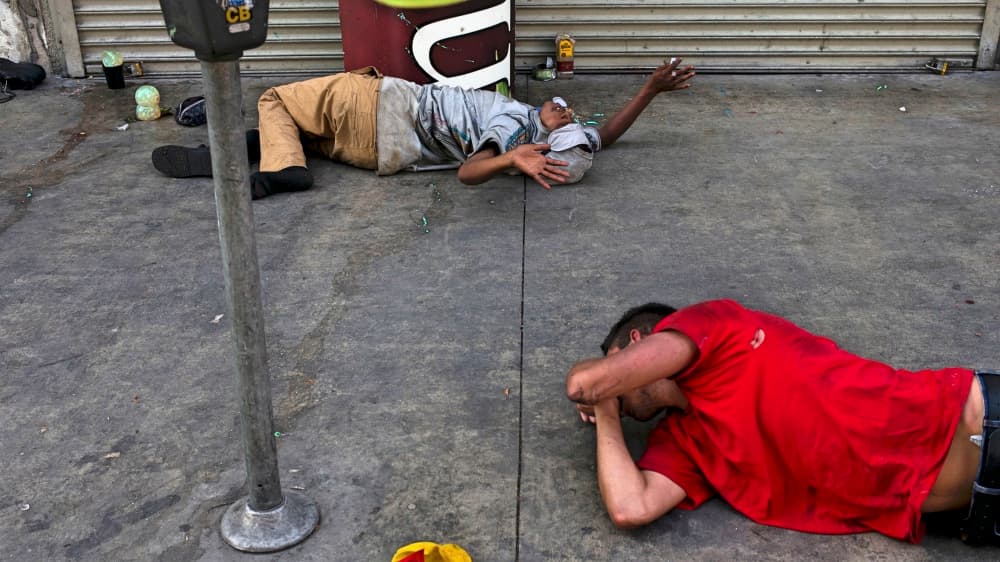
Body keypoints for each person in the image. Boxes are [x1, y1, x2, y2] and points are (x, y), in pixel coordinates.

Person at [564, 298, 999, 544]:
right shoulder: (685, 440)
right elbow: (629, 506)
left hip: (982, 417)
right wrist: (607, 412)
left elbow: (583, 382)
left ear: (639, 341)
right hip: (979, 510)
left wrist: (599, 387)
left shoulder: (711, 326)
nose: (612, 397)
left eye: (614, 365)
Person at [151, 59, 696, 199]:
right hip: (384, 150)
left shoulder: (515, 127)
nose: (570, 112)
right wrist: (648, 91)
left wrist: (510, 157)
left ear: (545, 138)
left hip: (386, 107)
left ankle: (282, 172)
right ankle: (251, 152)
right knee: (299, 126)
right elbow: (609, 138)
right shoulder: (553, 141)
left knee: (274, 99)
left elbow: (469, 173)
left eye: (566, 120)